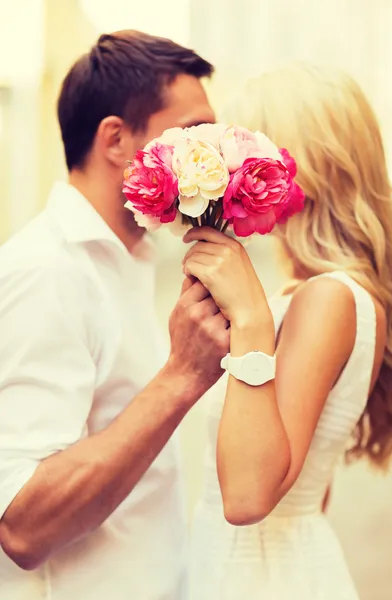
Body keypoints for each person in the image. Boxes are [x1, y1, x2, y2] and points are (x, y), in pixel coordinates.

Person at [0, 30, 229, 600]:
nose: (214, 160)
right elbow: (21, 526)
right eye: (193, 136)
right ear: (116, 140)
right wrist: (182, 376)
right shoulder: (47, 271)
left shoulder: (132, 259)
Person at [184, 63, 392, 600]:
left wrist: (250, 320)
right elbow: (311, 487)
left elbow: (244, 497)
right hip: (266, 566)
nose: (225, 174)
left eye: (243, 157)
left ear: (300, 169)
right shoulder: (315, 295)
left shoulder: (330, 298)